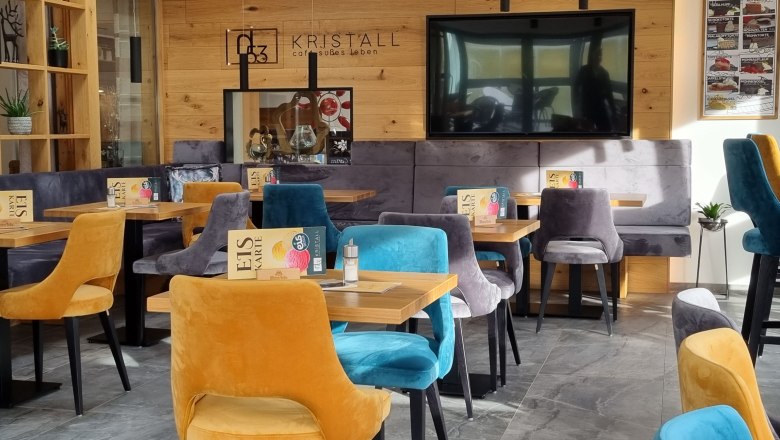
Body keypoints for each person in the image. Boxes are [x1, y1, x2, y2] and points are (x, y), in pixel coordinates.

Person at [572, 44, 617, 132]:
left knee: (606, 129)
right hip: (587, 107)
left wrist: (613, 110)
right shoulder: (584, 70)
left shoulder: (604, 73)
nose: (598, 57)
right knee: (587, 130)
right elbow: (576, 86)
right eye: (597, 54)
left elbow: (609, 93)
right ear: (592, 56)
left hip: (600, 106)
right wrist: (576, 104)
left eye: (600, 55)